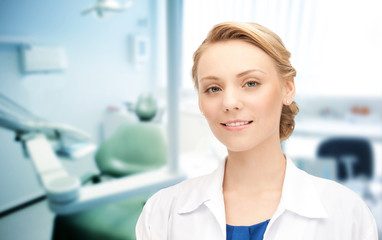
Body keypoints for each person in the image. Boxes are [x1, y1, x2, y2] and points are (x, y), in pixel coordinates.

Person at [135, 22, 378, 240]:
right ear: (199, 101)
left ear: (287, 89)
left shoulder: (346, 214)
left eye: (251, 83)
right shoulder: (162, 212)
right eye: (213, 88)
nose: (229, 102)